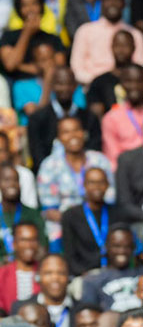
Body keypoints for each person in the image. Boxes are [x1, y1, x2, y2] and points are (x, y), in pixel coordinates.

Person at [38, 119, 114, 248]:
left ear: (83, 133)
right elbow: (50, 210)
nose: (72, 135)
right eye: (66, 132)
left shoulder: (99, 160)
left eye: (76, 130)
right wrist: (79, 223)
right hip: (63, 223)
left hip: (100, 220)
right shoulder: (49, 165)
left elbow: (111, 197)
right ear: (59, 138)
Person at [0, 162, 46, 271]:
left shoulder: (33, 214)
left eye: (15, 180)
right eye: (6, 180)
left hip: (28, 269)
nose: (12, 184)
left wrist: (22, 267)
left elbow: (42, 251)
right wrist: (6, 267)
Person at [61, 168, 133, 276]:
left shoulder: (118, 213)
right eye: (92, 182)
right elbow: (70, 256)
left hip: (116, 272)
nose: (97, 187)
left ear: (108, 185)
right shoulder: (70, 216)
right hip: (84, 274)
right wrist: (86, 276)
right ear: (84, 185)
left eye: (101, 182)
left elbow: (128, 249)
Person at [26, 67, 101, 167]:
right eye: (60, 84)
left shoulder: (89, 118)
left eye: (68, 84)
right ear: (52, 86)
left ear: (75, 86)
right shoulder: (38, 119)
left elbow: (94, 150)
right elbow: (37, 154)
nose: (65, 88)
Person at [72, 0, 143, 86]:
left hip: (127, 90)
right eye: (108, 0)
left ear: (123, 3)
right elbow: (77, 69)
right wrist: (100, 83)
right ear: (101, 3)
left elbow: (140, 68)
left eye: (117, 0)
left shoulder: (135, 35)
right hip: (92, 89)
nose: (112, 4)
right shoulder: (85, 31)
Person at [11, 255, 75, 327]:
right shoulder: (22, 308)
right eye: (48, 273)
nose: (55, 278)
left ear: (69, 277)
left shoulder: (80, 310)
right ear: (38, 276)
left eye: (61, 273)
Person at [0, 0, 67, 80]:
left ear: (41, 7)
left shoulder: (53, 38)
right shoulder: (8, 37)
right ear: (19, 10)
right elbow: (11, 65)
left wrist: (21, 66)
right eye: (25, 5)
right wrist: (26, 33)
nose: (30, 9)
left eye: (34, 4)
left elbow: (58, 67)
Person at [81, 225, 143, 312]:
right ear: (106, 247)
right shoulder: (92, 280)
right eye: (116, 246)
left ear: (133, 248)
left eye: (127, 246)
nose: (122, 251)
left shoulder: (141, 273)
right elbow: (89, 315)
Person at [0, 222, 43, 313]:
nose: (28, 245)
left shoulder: (46, 273)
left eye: (33, 240)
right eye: (23, 240)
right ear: (14, 244)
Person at [102, 65, 143, 169]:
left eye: (139, 81)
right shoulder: (111, 118)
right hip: (130, 173)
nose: (134, 86)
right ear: (121, 84)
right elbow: (114, 158)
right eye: (129, 81)